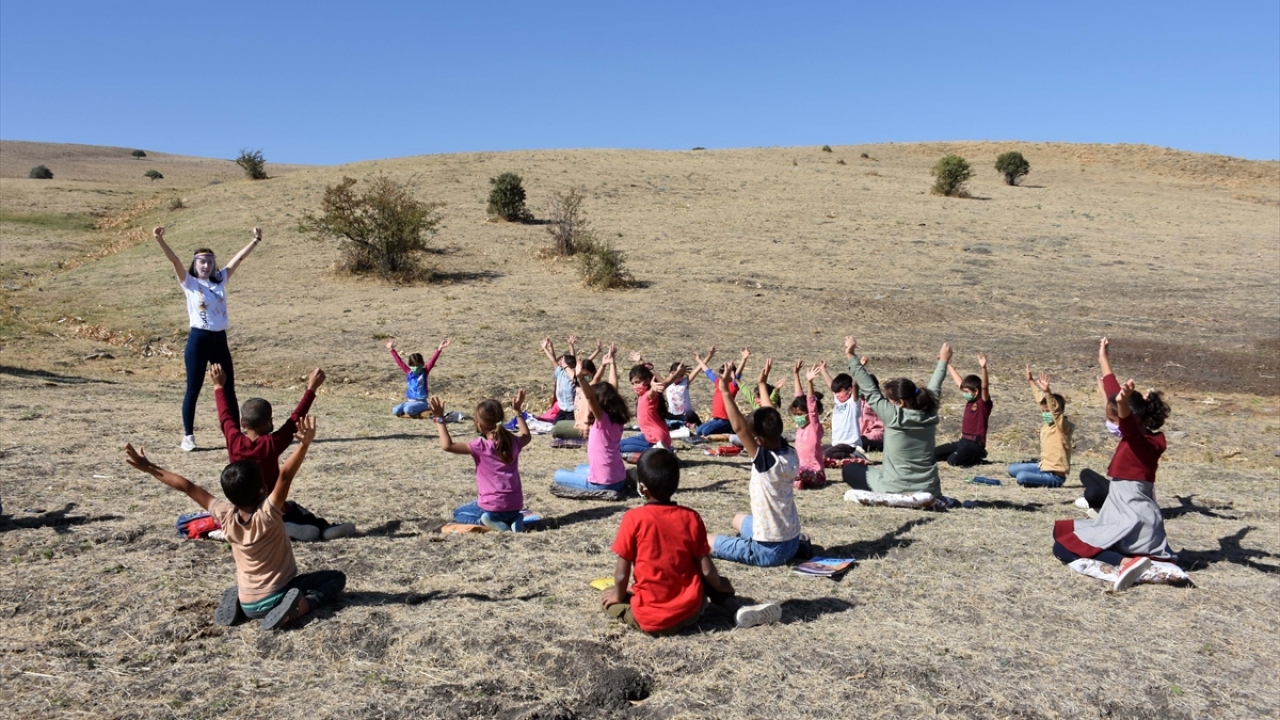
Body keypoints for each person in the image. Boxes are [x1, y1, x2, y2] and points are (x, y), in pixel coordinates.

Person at [124, 417, 346, 630]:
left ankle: (241, 604)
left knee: (255, 592)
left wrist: (149, 467)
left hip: (249, 601)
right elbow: (285, 475)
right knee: (335, 579)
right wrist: (304, 445)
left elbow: (187, 486)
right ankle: (297, 609)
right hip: (277, 595)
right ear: (262, 490)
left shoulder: (225, 515)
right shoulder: (267, 515)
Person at [603, 448, 781, 634]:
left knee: (609, 601)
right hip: (690, 613)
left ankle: (629, 604)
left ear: (641, 488)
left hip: (652, 621)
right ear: (676, 484)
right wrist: (720, 585)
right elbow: (707, 570)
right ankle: (736, 609)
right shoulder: (690, 518)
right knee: (702, 577)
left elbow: (622, 575)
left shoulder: (633, 519)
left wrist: (618, 594)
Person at [1052, 338, 1175, 591]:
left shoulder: (1143, 443)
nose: (1112, 425)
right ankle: (1127, 559)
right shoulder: (1140, 436)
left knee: (1062, 546)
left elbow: (1126, 421)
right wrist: (1103, 358)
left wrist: (1121, 404)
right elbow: (1113, 390)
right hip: (1121, 516)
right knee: (1062, 537)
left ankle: (1126, 562)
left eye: (1113, 419)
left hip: (1133, 520)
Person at [211, 364, 355, 542]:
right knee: (293, 508)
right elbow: (295, 419)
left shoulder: (234, 439)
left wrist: (218, 386)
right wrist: (312, 388)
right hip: (271, 506)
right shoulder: (272, 443)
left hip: (244, 510)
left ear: (242, 422)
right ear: (269, 423)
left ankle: (256, 528)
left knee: (276, 509)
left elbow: (224, 415)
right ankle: (321, 528)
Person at [153, 225, 261, 452]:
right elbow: (174, 261)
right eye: (202, 262)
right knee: (193, 388)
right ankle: (189, 436)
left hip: (219, 340)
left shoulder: (219, 280)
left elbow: (238, 260)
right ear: (195, 264)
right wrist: (159, 239)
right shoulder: (190, 283)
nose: (206, 265)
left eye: (210, 262)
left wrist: (255, 240)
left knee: (228, 388)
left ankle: (233, 434)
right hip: (199, 340)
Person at [709, 367, 802, 567]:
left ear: (757, 440)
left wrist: (725, 390)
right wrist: (762, 383)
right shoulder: (789, 452)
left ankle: (749, 546)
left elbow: (740, 428)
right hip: (792, 540)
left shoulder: (766, 462)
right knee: (738, 519)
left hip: (769, 550)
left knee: (705, 541)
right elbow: (771, 415)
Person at [841, 336, 948, 497]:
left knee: (850, 469)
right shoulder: (929, 412)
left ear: (900, 403)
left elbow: (869, 389)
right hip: (929, 488)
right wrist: (943, 361)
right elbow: (935, 388)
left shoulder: (893, 416)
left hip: (893, 488)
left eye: (890, 401)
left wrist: (850, 354)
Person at [428, 390, 532, 532]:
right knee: (497, 511)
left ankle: (491, 522)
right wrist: (518, 411)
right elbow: (526, 436)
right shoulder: (514, 442)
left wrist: (439, 418)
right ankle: (515, 519)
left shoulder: (480, 446)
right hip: (515, 505)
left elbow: (447, 446)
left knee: (459, 514)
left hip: (493, 506)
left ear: (480, 425)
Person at [554, 345, 631, 493]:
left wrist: (581, 378)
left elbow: (590, 397)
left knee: (558, 474)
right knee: (580, 468)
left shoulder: (602, 419)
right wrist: (612, 363)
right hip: (619, 478)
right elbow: (613, 387)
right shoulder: (618, 418)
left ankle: (594, 482)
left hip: (603, 483)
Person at [760, 359, 826, 489]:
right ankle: (796, 482)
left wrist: (810, 382)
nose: (797, 418)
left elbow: (810, 405)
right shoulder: (800, 428)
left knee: (798, 473)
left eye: (800, 414)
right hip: (799, 469)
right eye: (795, 415)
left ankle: (797, 481)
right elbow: (798, 397)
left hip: (816, 474)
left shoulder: (814, 426)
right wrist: (795, 374)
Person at [1007, 366, 1074, 487]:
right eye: (1043, 411)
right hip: (1042, 467)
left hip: (1054, 476)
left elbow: (1056, 412)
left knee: (1021, 476)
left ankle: (1045, 481)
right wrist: (1031, 380)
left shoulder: (1063, 427)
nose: (1045, 414)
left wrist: (1048, 392)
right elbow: (1040, 399)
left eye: (1048, 411)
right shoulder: (1048, 423)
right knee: (1012, 469)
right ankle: (1036, 476)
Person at [935, 352, 992, 467]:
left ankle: (976, 457)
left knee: (953, 461)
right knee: (932, 454)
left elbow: (985, 386)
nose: (964, 394)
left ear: (976, 391)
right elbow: (959, 382)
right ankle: (960, 454)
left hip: (975, 445)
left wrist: (983, 367)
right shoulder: (970, 401)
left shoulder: (983, 403)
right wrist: (947, 363)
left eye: (966, 392)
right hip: (963, 442)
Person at [619, 361, 684, 454]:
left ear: (648, 381)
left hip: (656, 438)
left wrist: (653, 388)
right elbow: (667, 382)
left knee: (620, 447)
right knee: (620, 444)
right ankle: (659, 450)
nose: (635, 386)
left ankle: (660, 451)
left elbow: (660, 386)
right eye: (633, 383)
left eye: (637, 382)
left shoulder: (648, 395)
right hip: (649, 436)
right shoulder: (641, 397)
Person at [386, 337, 448, 418]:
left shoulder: (424, 372)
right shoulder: (409, 372)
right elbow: (399, 362)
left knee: (408, 410)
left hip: (421, 402)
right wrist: (391, 349)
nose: (415, 367)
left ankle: (427, 409)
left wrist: (439, 349)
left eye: (417, 365)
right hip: (410, 401)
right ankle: (415, 412)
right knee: (395, 410)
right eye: (413, 365)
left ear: (422, 364)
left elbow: (432, 361)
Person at [818, 361, 864, 460]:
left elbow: (855, 385)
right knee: (815, 451)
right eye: (836, 392)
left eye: (840, 391)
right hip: (836, 444)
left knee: (824, 456)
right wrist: (823, 370)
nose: (837, 394)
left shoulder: (853, 402)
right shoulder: (838, 401)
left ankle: (855, 455)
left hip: (850, 445)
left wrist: (859, 368)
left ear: (849, 390)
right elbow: (831, 385)